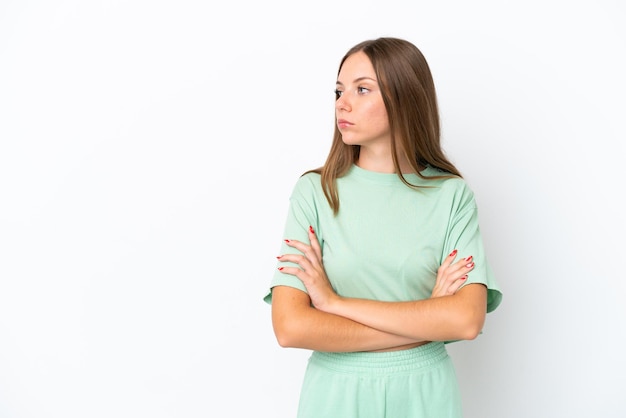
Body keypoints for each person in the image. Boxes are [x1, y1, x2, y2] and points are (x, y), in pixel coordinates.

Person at [263, 37, 502, 418]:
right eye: (339, 90)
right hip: (336, 393)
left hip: (424, 392)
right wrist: (426, 321)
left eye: (362, 90)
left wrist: (335, 305)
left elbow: (466, 320)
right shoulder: (315, 192)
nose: (342, 103)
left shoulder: (451, 196)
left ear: (404, 97)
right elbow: (290, 327)